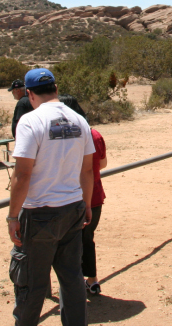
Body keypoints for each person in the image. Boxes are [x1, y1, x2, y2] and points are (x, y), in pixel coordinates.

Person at [7, 68, 94, 326]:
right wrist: (86, 204)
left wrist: (13, 216)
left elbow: (22, 174)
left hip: (39, 213)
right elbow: (88, 169)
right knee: (71, 278)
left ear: (30, 94)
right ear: (56, 89)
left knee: (31, 284)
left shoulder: (31, 121)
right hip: (73, 208)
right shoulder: (80, 121)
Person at [59, 94, 107, 296]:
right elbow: (103, 164)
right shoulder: (94, 134)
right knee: (87, 238)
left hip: (69, 197)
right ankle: (92, 280)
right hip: (94, 196)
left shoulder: (62, 136)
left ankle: (71, 285)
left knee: (67, 243)